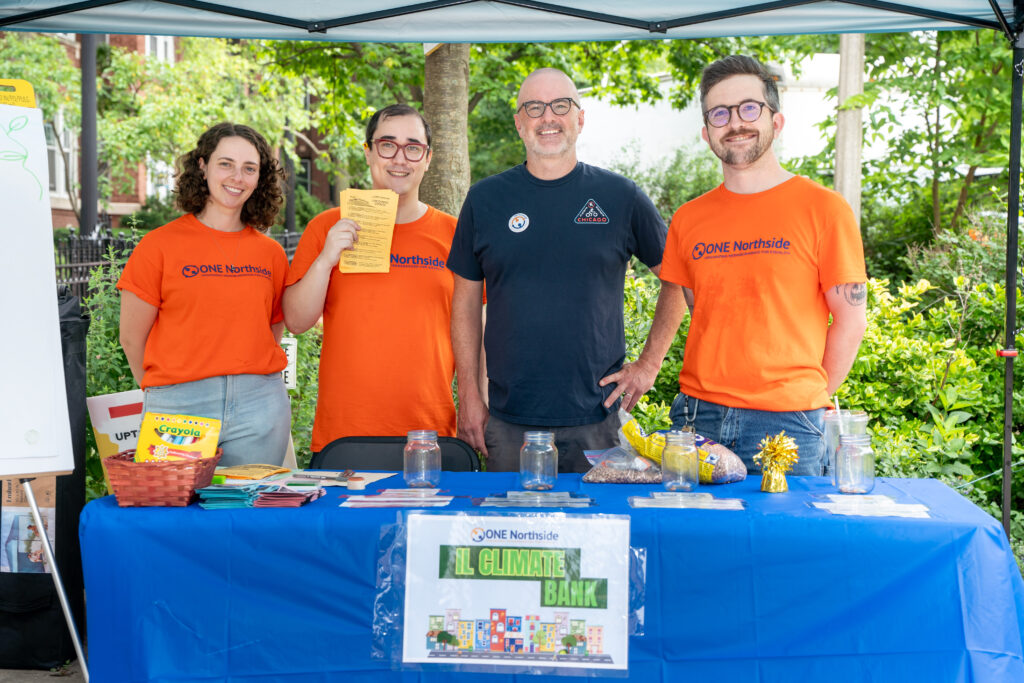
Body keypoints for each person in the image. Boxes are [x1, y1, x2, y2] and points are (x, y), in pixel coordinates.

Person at [448, 67, 685, 473]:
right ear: (519, 122)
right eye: (534, 107)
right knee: (512, 534)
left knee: (600, 535)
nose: (548, 117)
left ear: (580, 118)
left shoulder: (620, 196)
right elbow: (466, 303)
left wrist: (649, 366)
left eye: (561, 105)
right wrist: (469, 395)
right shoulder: (485, 200)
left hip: (598, 420)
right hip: (509, 421)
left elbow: (677, 277)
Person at [656, 55, 868, 475]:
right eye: (720, 113)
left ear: (777, 120)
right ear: (706, 132)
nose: (735, 122)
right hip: (698, 418)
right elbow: (701, 308)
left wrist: (805, 394)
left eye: (749, 108)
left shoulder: (825, 209)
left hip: (790, 423)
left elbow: (851, 320)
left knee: (790, 542)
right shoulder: (688, 219)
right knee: (698, 541)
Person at [284, 104, 468, 454]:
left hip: (429, 432)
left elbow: (476, 331)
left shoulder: (454, 234)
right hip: (345, 433)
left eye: (413, 147)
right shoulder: (326, 227)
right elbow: (296, 320)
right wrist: (325, 261)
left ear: (427, 159)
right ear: (368, 152)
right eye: (387, 144)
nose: (400, 158)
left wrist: (478, 404)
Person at [118, 122, 291, 467]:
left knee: (248, 515)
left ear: (260, 179)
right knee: (173, 517)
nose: (237, 177)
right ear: (203, 166)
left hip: (259, 406)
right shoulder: (159, 246)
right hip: (179, 406)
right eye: (225, 163)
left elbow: (270, 332)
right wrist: (167, 394)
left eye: (249, 168)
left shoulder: (270, 253)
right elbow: (131, 338)